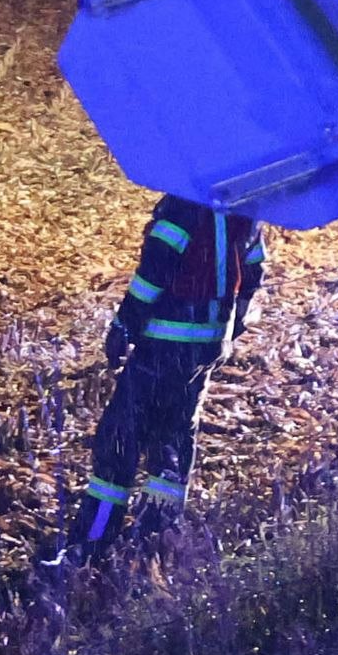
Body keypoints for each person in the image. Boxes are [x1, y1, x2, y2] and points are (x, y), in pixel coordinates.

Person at [74, 188, 266, 551]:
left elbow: (153, 272)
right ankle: (156, 539)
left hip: (163, 343)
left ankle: (95, 538)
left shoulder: (182, 206)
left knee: (119, 440)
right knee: (175, 440)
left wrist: (123, 326)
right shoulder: (246, 207)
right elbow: (254, 270)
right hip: (205, 348)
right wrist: (230, 325)